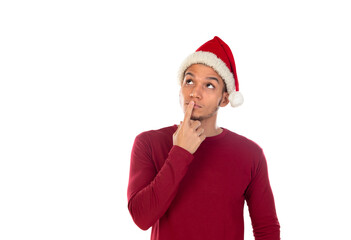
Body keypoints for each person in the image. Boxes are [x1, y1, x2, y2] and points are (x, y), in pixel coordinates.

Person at [127, 36, 280, 240]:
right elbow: (141, 218)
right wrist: (180, 153)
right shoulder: (148, 143)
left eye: (209, 85)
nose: (195, 93)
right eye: (189, 81)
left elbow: (266, 229)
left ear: (225, 99)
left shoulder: (250, 154)